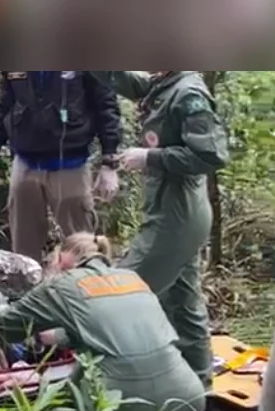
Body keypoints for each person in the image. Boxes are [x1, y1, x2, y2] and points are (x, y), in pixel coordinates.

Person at [0, 232, 206, 411]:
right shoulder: (131, 278)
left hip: (120, 404)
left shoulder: (62, 284)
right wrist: (54, 337)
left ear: (59, 258)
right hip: (187, 398)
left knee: (49, 410)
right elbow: (115, 332)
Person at [89, 71, 228, 384]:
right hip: (171, 212)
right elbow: (120, 79)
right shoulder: (163, 82)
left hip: (177, 217)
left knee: (119, 294)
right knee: (183, 303)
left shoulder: (188, 93)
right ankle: (199, 388)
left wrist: (151, 157)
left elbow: (211, 155)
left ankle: (103, 385)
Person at [0, 71, 123, 259]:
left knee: (82, 245)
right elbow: (5, 106)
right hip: (25, 162)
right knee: (24, 247)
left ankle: (88, 283)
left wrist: (110, 162)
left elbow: (106, 107)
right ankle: (28, 287)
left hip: (71, 163)